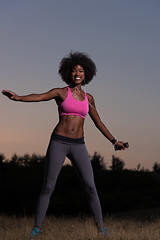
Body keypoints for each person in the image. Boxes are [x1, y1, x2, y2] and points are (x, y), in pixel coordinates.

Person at [2, 52, 127, 238]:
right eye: (74, 70)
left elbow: (99, 122)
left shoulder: (89, 98)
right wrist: (18, 97)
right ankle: (37, 228)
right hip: (59, 142)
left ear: (86, 74)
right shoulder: (61, 92)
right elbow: (40, 96)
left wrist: (114, 141)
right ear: (68, 73)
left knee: (91, 186)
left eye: (81, 71)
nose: (78, 73)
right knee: (48, 186)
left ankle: (101, 229)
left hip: (79, 145)